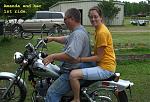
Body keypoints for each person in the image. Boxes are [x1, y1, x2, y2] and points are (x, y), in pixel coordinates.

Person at [42, 8, 91, 102]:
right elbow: (67, 38)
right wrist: (53, 38)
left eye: (65, 19)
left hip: (71, 71)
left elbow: (71, 55)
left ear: (71, 18)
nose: (64, 22)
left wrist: (52, 56)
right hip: (75, 68)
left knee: (52, 93)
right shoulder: (79, 30)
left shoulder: (78, 34)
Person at [69, 6, 116, 102]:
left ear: (101, 17)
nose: (93, 19)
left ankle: (76, 99)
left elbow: (99, 57)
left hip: (105, 68)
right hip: (104, 65)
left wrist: (80, 59)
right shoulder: (98, 29)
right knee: (75, 66)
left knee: (73, 75)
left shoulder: (102, 32)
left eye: (95, 16)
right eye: (91, 17)